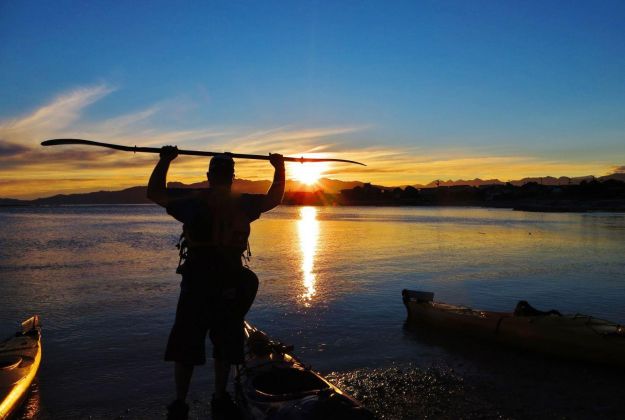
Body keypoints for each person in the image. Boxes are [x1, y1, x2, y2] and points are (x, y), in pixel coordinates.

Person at [147, 146, 285, 419]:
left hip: (198, 283)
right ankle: (219, 398)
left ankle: (180, 404)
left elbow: (154, 192)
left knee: (189, 346)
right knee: (224, 344)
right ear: (231, 177)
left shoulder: (191, 202)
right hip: (228, 281)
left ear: (209, 176)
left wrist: (165, 160)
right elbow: (273, 199)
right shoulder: (242, 203)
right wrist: (279, 168)